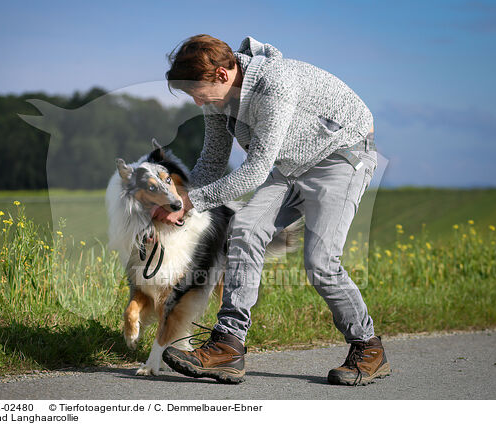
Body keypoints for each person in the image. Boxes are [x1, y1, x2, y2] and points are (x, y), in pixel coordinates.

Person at [155, 34, 390, 385]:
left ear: (221, 75)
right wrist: (180, 203)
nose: (195, 99)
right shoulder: (216, 100)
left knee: (320, 262)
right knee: (243, 231)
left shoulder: (274, 84)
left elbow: (254, 170)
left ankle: (368, 347)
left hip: (341, 156)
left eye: (195, 91)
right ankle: (228, 346)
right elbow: (213, 160)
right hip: (291, 164)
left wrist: (193, 202)